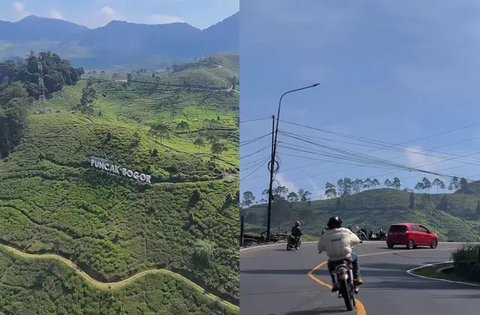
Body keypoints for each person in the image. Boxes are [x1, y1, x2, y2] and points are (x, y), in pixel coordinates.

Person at [317, 216, 363, 293]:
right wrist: (359, 241)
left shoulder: (325, 235)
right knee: (355, 257)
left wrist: (321, 250)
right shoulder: (345, 231)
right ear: (340, 224)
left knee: (330, 265)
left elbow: (320, 247)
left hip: (333, 259)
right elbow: (356, 239)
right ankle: (356, 277)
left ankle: (334, 283)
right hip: (346, 256)